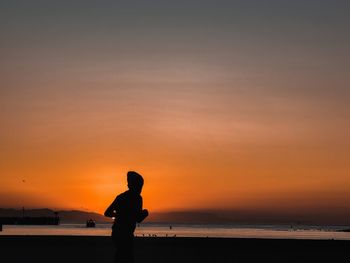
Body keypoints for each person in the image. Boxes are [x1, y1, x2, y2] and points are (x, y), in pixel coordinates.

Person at [105, 171, 149, 263]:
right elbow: (138, 218)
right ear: (132, 185)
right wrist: (145, 213)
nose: (140, 189)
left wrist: (120, 215)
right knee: (126, 256)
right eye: (139, 186)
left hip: (121, 233)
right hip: (122, 233)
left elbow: (107, 213)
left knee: (122, 255)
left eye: (141, 186)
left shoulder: (122, 197)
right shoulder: (137, 199)